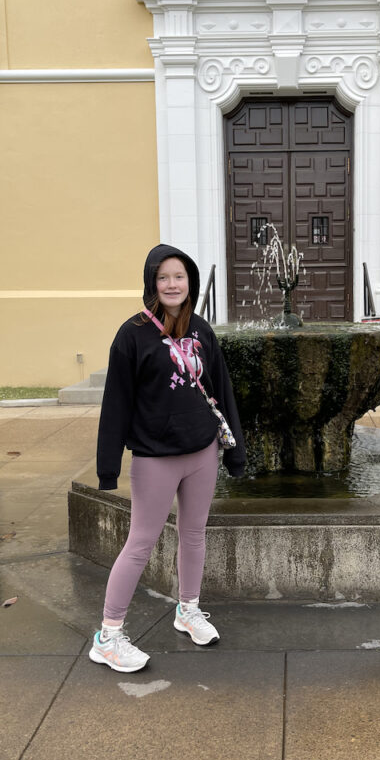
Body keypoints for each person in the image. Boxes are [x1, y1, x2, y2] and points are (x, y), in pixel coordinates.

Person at [89, 243, 246, 672]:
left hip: (202, 451)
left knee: (194, 534)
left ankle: (188, 609)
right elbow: (116, 402)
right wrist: (108, 466)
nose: (172, 284)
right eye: (164, 277)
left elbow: (222, 391)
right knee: (140, 543)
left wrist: (234, 455)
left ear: (189, 281)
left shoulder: (202, 330)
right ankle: (108, 636)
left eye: (179, 276)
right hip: (156, 457)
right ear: (152, 283)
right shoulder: (133, 334)